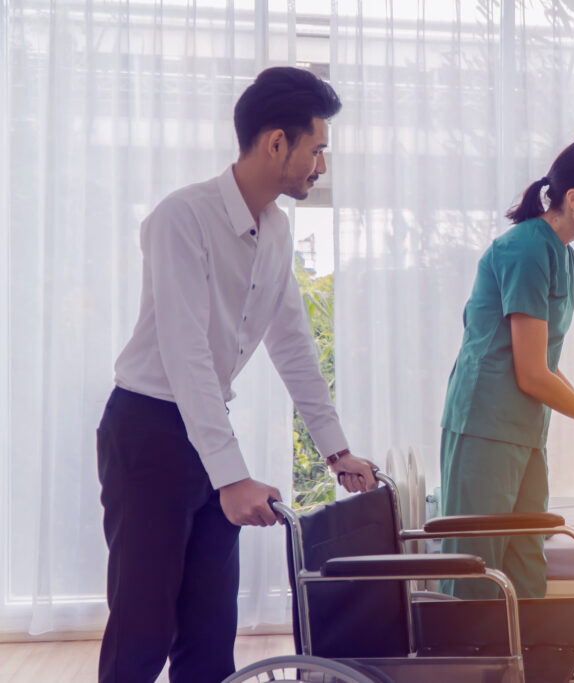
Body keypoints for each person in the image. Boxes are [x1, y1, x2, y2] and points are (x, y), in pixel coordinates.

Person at [95, 66, 378, 683]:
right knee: (143, 623)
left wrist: (336, 450)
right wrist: (232, 477)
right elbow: (184, 351)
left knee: (209, 628)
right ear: (277, 142)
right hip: (147, 430)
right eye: (318, 148)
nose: (321, 165)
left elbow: (294, 346)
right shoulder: (182, 218)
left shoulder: (275, 231)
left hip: (204, 428)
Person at [439, 139, 574, 600]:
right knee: (475, 575)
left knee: (525, 567)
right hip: (484, 427)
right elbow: (530, 376)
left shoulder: (563, 254)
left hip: (522, 430)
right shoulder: (525, 250)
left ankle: (526, 669)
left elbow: (545, 365)